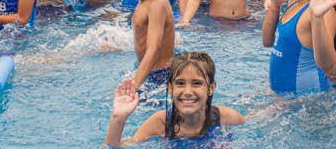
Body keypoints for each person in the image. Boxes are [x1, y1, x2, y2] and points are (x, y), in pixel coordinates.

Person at [104, 52, 244, 145]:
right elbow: (117, 147)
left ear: (211, 88)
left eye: (197, 83)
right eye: (180, 83)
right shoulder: (159, 123)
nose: (188, 92)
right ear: (170, 87)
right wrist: (118, 118)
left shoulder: (228, 118)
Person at [124, 0, 175, 88]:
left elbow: (153, 49)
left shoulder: (157, 4)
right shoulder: (145, 0)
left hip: (160, 77)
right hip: (147, 71)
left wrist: (134, 86)